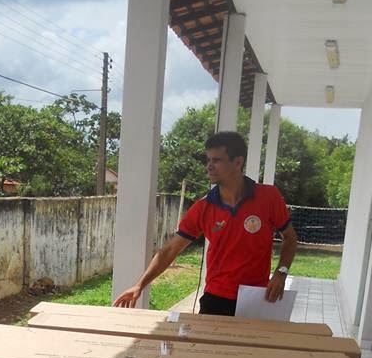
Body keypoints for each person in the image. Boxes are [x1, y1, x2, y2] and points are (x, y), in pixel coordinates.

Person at [113, 130, 298, 316]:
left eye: (216, 160)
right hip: (216, 299)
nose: (209, 166)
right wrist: (139, 286)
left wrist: (281, 273)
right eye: (208, 160)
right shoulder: (203, 207)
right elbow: (170, 250)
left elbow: (290, 238)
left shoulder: (268, 197)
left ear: (238, 162)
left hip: (256, 297)